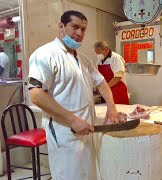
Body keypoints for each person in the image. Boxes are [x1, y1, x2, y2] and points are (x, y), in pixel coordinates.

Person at [28, 10, 119, 180]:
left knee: (88, 174)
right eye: (75, 27)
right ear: (61, 26)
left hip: (87, 128)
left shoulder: (84, 60)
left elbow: (101, 83)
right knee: (69, 175)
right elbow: (36, 95)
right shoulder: (45, 54)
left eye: (83, 29)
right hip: (65, 132)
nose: (79, 33)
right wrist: (73, 120)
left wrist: (111, 108)